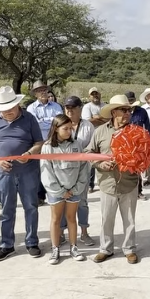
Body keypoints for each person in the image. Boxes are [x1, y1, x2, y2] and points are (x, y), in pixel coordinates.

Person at [0, 85, 45, 262]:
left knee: (31, 206)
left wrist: (29, 154)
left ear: (17, 105)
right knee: (7, 209)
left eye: (11, 108)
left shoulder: (29, 119)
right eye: (4, 109)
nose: (7, 112)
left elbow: (39, 142)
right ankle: (6, 244)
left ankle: (31, 242)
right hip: (3, 173)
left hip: (28, 171)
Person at [88, 94, 143, 264]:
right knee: (107, 219)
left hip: (129, 182)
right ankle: (106, 249)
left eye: (129, 110)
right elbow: (89, 153)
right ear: (113, 112)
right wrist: (100, 164)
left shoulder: (136, 132)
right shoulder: (100, 131)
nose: (127, 113)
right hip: (107, 183)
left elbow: (144, 155)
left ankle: (129, 249)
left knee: (129, 220)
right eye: (123, 110)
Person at [40, 114, 91, 265]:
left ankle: (73, 247)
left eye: (71, 128)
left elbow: (83, 167)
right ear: (56, 129)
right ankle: (55, 249)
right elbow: (46, 171)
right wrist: (60, 191)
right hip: (56, 192)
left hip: (74, 190)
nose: (69, 131)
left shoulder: (77, 145)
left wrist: (77, 187)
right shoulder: (48, 147)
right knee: (56, 219)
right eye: (65, 128)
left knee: (71, 218)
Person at [60, 96, 96, 246]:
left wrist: (81, 153)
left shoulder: (88, 126)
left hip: (82, 169)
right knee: (62, 201)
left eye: (73, 107)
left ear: (80, 109)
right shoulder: (59, 124)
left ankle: (84, 233)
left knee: (82, 202)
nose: (69, 110)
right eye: (67, 107)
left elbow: (92, 146)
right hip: (62, 170)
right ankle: (61, 233)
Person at [28, 81, 62, 205]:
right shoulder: (31, 108)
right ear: (35, 94)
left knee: (56, 169)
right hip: (39, 142)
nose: (42, 92)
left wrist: (43, 120)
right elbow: (35, 124)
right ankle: (40, 196)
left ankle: (56, 194)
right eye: (39, 91)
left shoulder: (57, 106)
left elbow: (59, 123)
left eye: (44, 90)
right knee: (40, 169)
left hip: (55, 142)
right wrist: (51, 120)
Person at [82, 87, 105, 191]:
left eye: (97, 93)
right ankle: (90, 184)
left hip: (104, 135)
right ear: (89, 96)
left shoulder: (105, 105)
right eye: (93, 94)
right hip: (91, 135)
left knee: (104, 158)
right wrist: (102, 119)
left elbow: (110, 120)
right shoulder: (87, 107)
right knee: (91, 160)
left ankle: (103, 182)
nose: (95, 96)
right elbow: (88, 121)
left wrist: (97, 117)